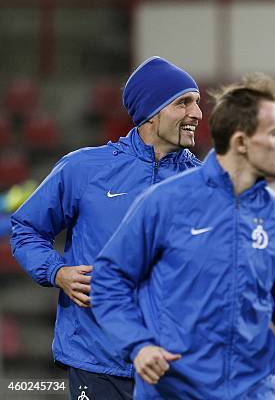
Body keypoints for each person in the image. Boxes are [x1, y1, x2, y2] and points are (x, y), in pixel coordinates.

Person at [91, 72, 275, 399]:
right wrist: (138, 345)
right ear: (241, 142)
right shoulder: (164, 203)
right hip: (172, 391)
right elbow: (109, 280)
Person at [11, 56, 203, 400]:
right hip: (96, 364)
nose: (197, 114)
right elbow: (26, 230)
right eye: (183, 102)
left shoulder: (208, 184)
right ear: (151, 112)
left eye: (197, 103)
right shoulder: (84, 169)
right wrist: (57, 272)